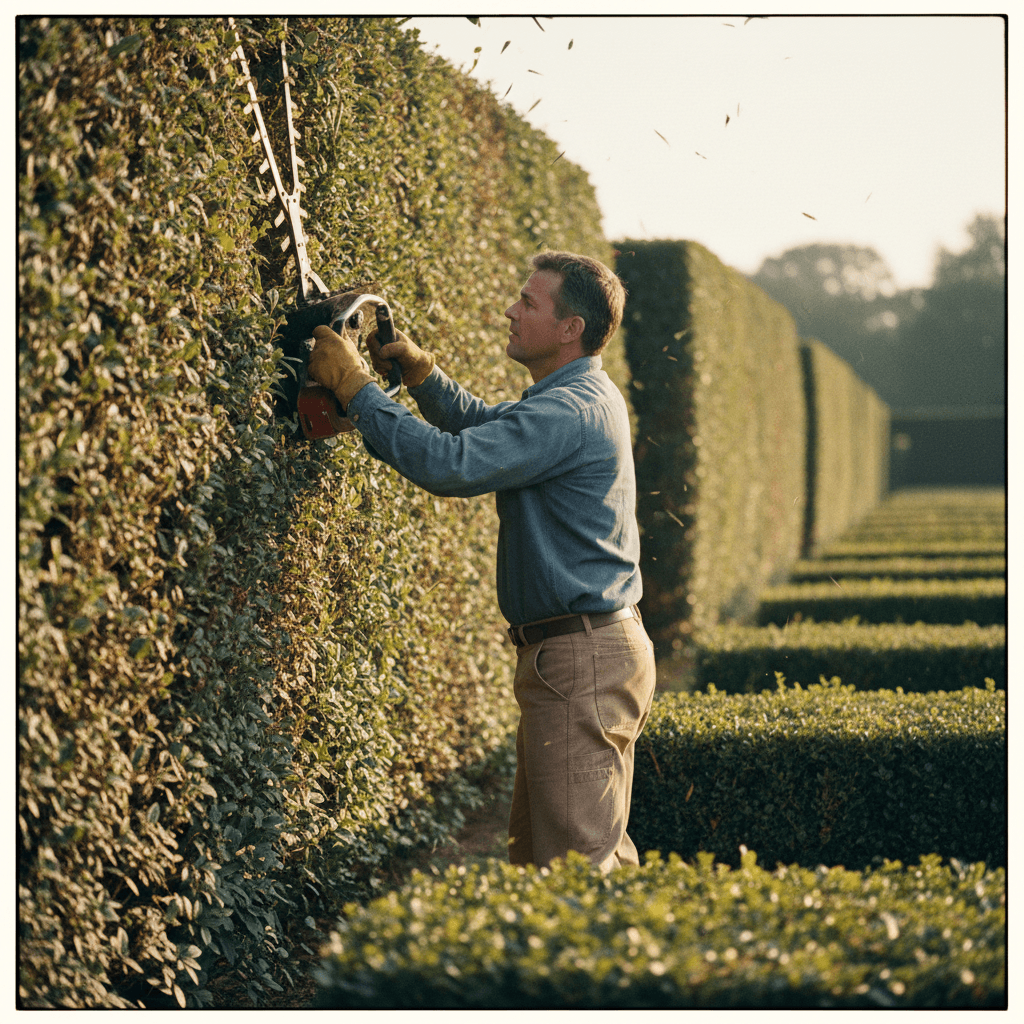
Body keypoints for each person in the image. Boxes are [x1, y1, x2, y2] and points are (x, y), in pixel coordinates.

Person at [307, 251, 656, 872]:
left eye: (529, 303)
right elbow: (489, 431)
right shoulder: (576, 397)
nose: (510, 311)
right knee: (548, 861)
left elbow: (453, 464)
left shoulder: (569, 410)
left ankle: (617, 972)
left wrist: (356, 388)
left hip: (582, 659)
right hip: (582, 655)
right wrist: (422, 376)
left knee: (581, 869)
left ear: (571, 328)